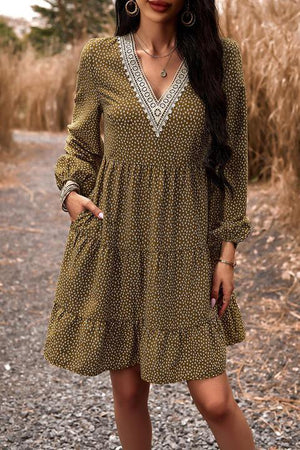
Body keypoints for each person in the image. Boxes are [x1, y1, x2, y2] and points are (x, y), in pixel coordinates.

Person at [43, 0, 256, 448]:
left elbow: (232, 163)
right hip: (118, 239)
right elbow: (81, 146)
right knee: (129, 391)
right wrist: (71, 194)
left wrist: (227, 255)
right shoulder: (100, 56)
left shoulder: (221, 57)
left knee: (215, 400)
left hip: (186, 247)